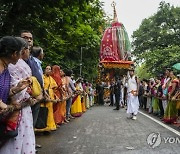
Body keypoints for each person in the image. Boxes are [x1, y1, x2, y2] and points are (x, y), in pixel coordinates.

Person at [0, 37, 38, 153]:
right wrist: (4, 105)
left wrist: (17, 88)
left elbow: (6, 92)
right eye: (21, 52)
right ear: (14, 54)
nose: (22, 55)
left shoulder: (6, 69)